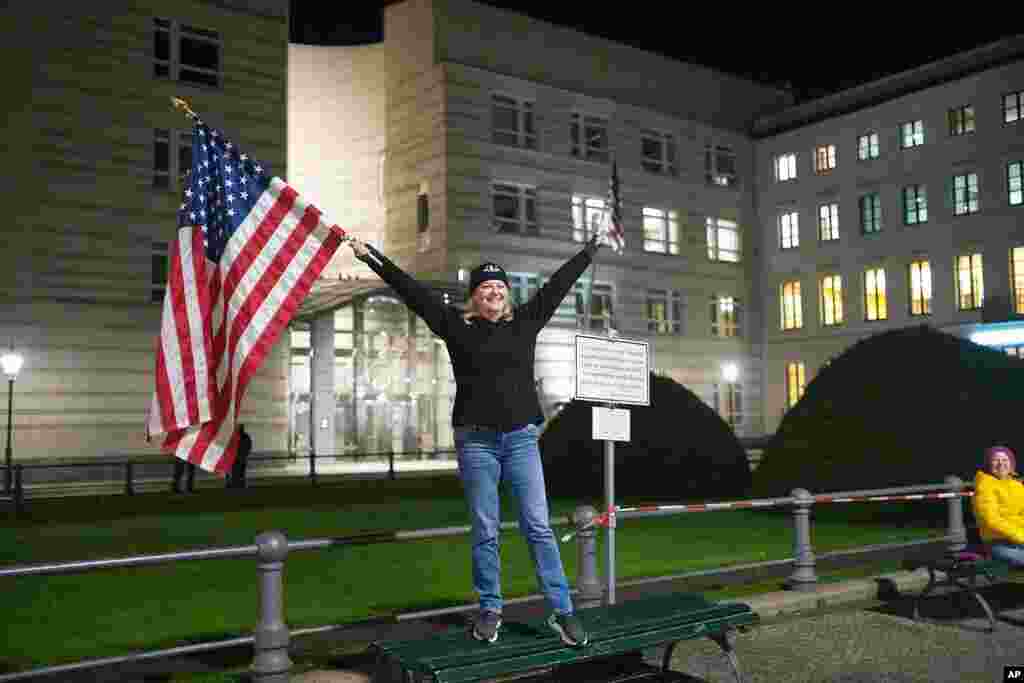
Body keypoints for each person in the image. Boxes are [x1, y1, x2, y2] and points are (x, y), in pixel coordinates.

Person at [346, 233, 604, 647]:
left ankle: (562, 611)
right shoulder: (455, 327)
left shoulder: (525, 321)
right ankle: (490, 609)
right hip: (476, 443)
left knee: (537, 526)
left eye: (500, 288)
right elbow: (413, 292)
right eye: (486, 289)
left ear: (507, 295)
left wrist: (589, 252)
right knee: (485, 528)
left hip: (521, 440)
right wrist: (371, 257)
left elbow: (558, 286)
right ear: (475, 298)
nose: (494, 293)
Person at [972, 445, 1024, 566]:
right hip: (997, 542)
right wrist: (1020, 536)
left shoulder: (1017, 486)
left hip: (1019, 538)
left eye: (1005, 460)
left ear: (1011, 464)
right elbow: (991, 520)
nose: (1001, 464)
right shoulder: (984, 485)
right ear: (989, 465)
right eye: (996, 460)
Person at [227, 424, 252, 489]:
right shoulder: (246, 437)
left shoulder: (235, 437)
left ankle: (236, 486)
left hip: (236, 460)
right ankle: (241, 486)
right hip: (242, 459)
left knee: (236, 476)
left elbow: (230, 447)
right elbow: (248, 447)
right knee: (241, 475)